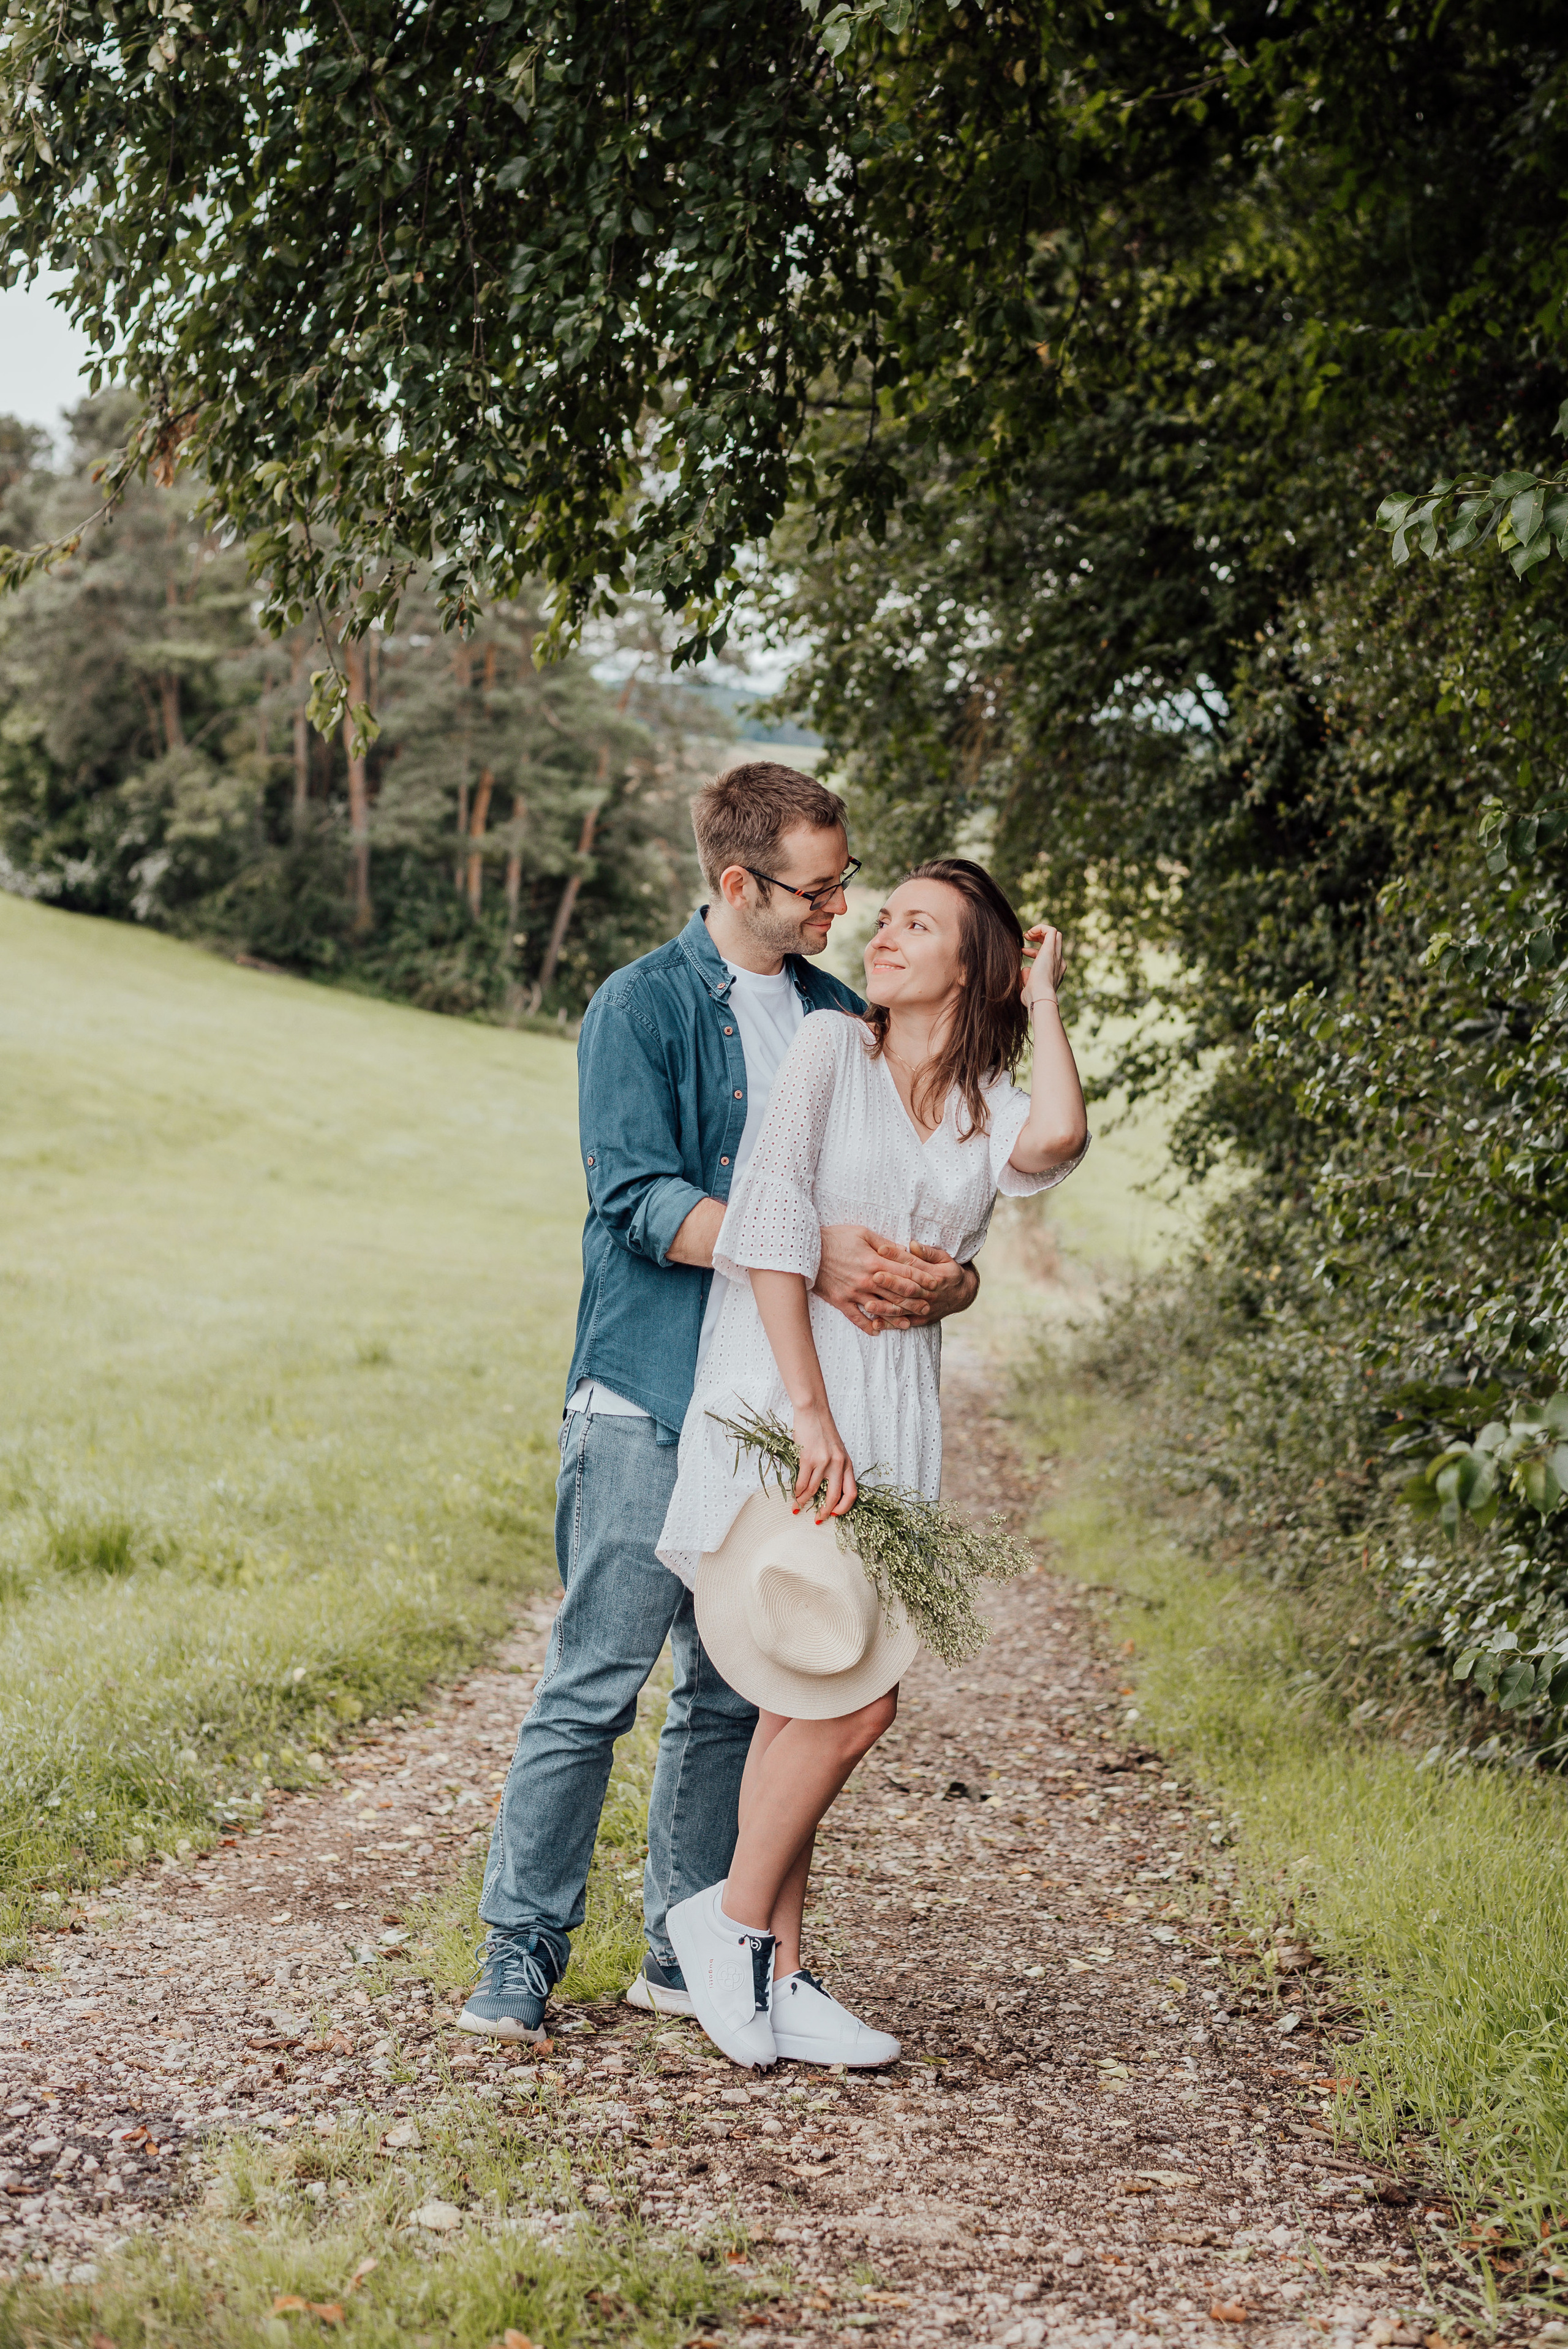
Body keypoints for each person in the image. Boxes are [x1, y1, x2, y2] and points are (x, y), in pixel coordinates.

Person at [458, 765, 984, 2045]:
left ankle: (686, 1959)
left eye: (846, 881)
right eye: (818, 887)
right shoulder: (637, 1008)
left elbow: (922, 1189)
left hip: (767, 1406)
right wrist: (807, 1254)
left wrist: (946, 1282)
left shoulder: (840, 1018)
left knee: (736, 1691)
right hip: (646, 1389)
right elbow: (632, 1197)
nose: (842, 907)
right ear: (738, 883)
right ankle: (518, 1955)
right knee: (595, 1683)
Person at [654, 858, 1090, 2068]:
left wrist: (1043, 989)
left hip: (888, 1412)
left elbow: (1057, 1137)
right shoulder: (824, 1054)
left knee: (813, 1683)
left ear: (970, 965)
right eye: (882, 918)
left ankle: (780, 1974)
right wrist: (806, 1414)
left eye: (915, 925)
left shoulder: (977, 1104)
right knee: (853, 1691)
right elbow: (774, 1227)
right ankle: (730, 1924)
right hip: (786, 1396)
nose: (881, 936)